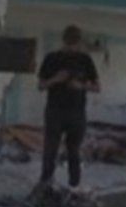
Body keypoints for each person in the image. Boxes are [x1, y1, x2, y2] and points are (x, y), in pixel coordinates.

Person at [36, 25, 100, 188]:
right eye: (69, 43)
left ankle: (74, 187)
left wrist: (81, 86)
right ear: (63, 40)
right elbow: (41, 86)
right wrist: (55, 79)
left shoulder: (85, 60)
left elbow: (97, 87)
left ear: (79, 42)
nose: (72, 47)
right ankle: (45, 184)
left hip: (77, 112)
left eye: (75, 43)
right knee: (50, 150)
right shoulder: (52, 58)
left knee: (74, 151)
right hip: (55, 111)